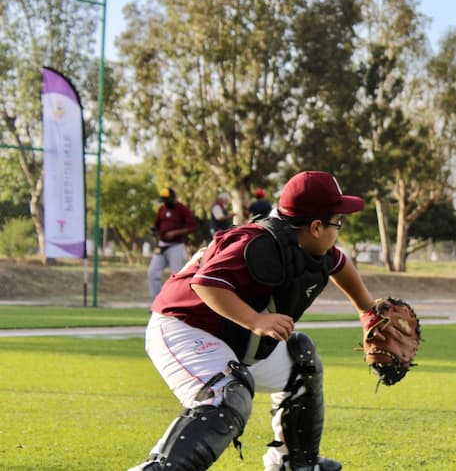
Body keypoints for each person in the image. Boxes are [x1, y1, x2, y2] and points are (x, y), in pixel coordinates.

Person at [130, 171, 375, 471]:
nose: (339, 227)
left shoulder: (308, 246)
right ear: (315, 226)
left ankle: (294, 464)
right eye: (337, 221)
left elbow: (340, 264)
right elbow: (206, 282)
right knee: (226, 396)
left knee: (302, 362)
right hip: (182, 325)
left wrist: (367, 310)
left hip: (229, 334)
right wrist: (255, 320)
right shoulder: (259, 244)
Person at [147, 188, 197, 299]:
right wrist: (154, 231)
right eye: (163, 200)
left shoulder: (182, 209)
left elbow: (192, 227)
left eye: (167, 200)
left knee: (177, 275)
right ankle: (158, 301)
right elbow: (156, 225)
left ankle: (177, 301)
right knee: (152, 272)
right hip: (162, 244)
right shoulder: (162, 209)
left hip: (176, 246)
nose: (165, 202)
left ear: (173, 198)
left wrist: (176, 232)